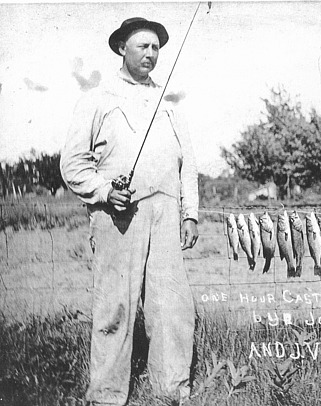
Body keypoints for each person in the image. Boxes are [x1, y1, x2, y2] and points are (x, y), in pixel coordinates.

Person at [60, 17, 199, 405]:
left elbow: (187, 162)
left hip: (166, 214)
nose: (151, 54)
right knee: (115, 306)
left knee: (171, 306)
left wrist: (191, 213)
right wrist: (104, 191)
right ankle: (106, 394)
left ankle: (171, 390)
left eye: (156, 48)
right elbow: (72, 164)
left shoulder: (168, 105)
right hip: (118, 215)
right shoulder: (97, 99)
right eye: (143, 46)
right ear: (122, 48)